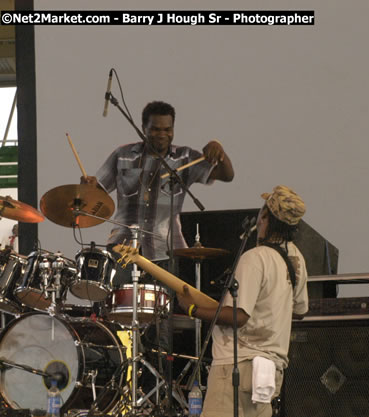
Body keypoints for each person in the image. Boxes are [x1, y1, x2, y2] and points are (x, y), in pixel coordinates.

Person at [177, 185, 309, 417]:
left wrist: (192, 309)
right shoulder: (296, 258)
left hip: (238, 367)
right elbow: (299, 310)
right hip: (270, 371)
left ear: (265, 217)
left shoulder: (255, 258)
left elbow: (239, 317)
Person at [83, 100, 234, 262]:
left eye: (167, 129)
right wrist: (88, 188)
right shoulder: (123, 155)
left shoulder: (185, 157)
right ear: (143, 129)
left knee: (168, 287)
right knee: (118, 287)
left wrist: (219, 150)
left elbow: (227, 176)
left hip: (168, 250)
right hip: (122, 247)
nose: (162, 135)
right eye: (155, 129)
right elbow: (97, 192)